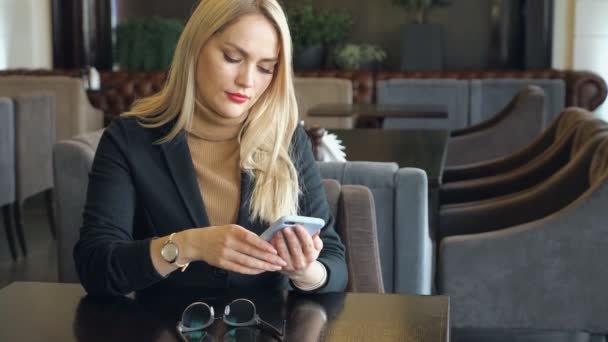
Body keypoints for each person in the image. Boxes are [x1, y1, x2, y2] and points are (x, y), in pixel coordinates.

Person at [73, 0, 348, 296]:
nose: (248, 81)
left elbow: (334, 261)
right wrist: (189, 245)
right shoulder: (130, 139)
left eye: (266, 68)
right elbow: (95, 267)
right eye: (232, 57)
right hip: (162, 329)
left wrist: (305, 272)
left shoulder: (287, 138)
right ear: (195, 48)